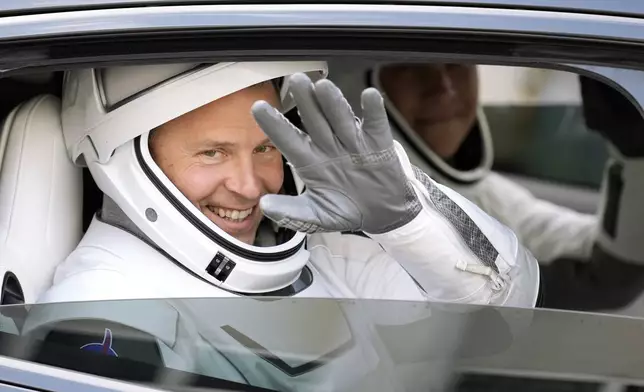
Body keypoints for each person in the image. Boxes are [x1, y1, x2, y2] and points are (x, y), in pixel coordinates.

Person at [23, 61, 539, 390]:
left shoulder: (325, 256)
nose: (251, 186)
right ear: (125, 159)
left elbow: (505, 312)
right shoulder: (99, 310)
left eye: (265, 147)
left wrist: (409, 214)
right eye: (212, 152)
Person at [371, 63, 598, 264]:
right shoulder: (357, 216)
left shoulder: (485, 193)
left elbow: (592, 251)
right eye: (412, 66)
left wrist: (631, 153)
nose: (443, 87)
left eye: (457, 63)